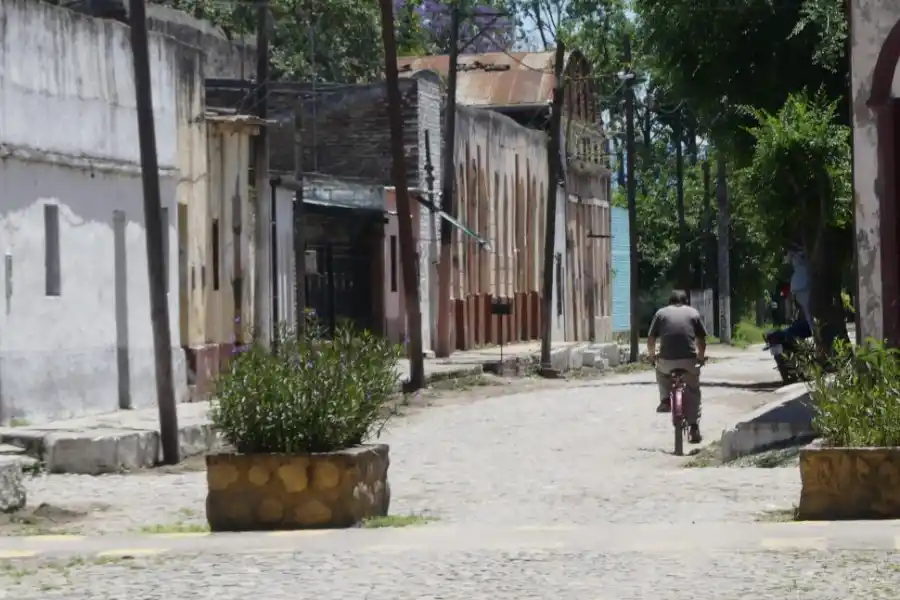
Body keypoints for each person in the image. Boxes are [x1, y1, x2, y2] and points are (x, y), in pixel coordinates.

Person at [647, 290, 708, 444]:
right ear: (685, 301)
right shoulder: (693, 313)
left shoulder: (661, 313)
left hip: (667, 361)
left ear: (670, 301)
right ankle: (694, 426)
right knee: (693, 388)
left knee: (660, 372)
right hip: (689, 361)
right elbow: (701, 339)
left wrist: (652, 355)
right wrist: (700, 357)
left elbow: (651, 338)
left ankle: (665, 399)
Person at [786, 244, 812, 331]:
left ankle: (812, 328)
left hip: (803, 282)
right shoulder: (793, 254)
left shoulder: (806, 251)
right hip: (800, 283)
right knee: (807, 309)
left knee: (808, 310)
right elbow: (787, 261)